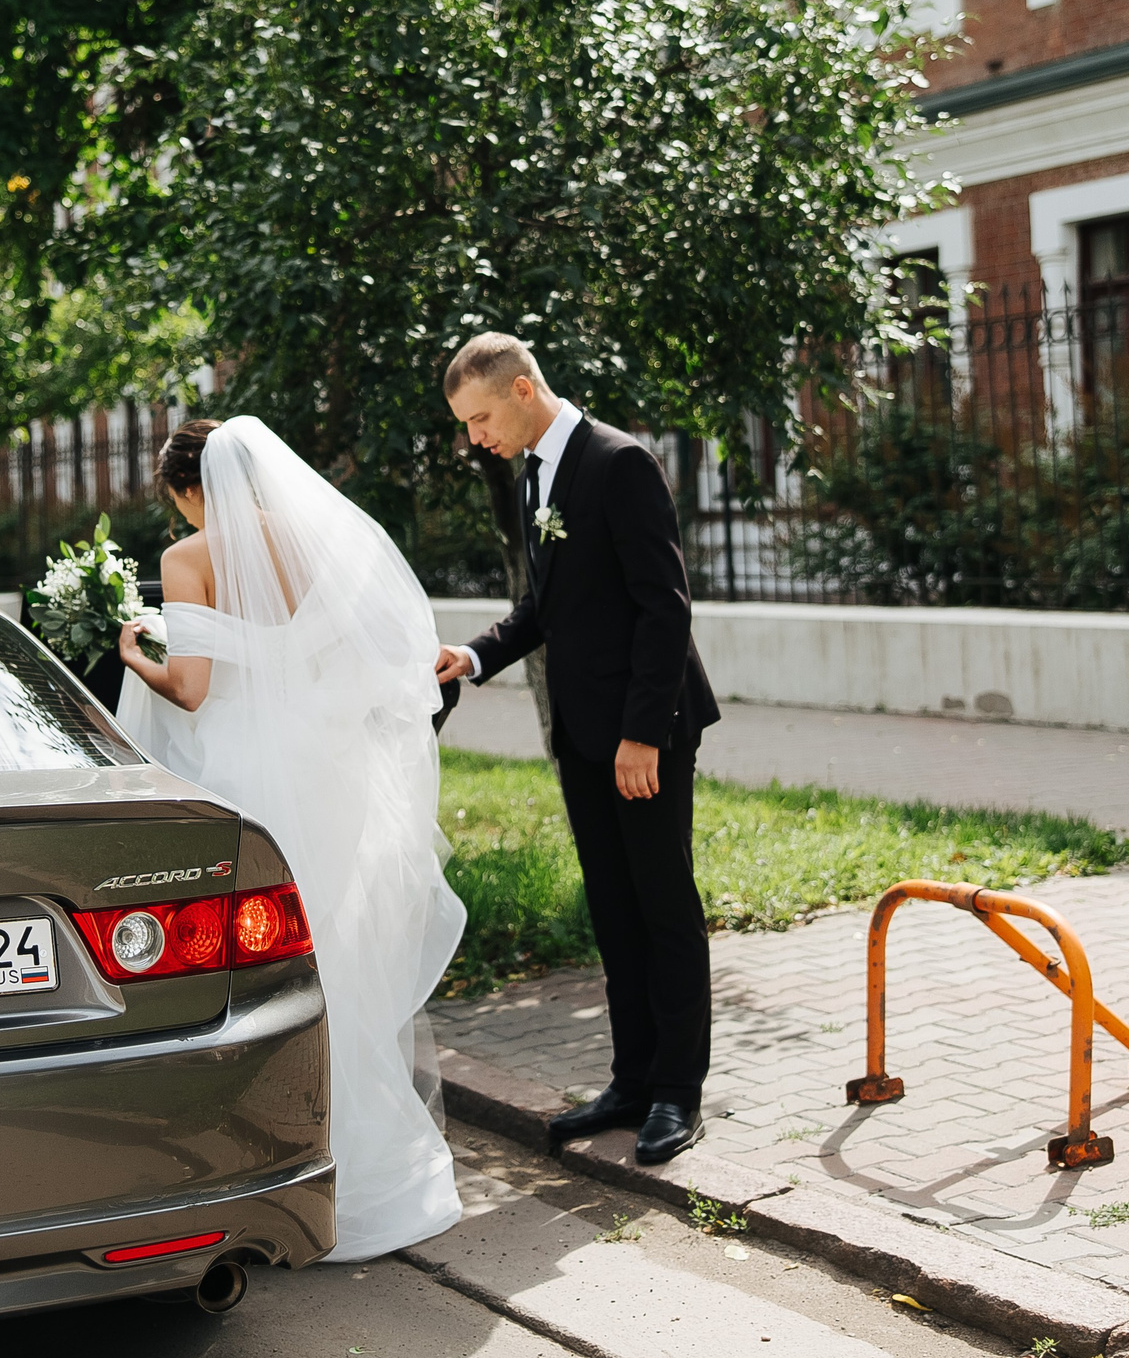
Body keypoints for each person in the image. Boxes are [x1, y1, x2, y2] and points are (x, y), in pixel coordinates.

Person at [114, 416, 468, 1263]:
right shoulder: (314, 542)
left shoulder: (187, 561)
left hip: (246, 780)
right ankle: (372, 1166)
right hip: (327, 774)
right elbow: (358, 656)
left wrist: (135, 652)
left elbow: (192, 691)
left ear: (192, 490)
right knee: (334, 961)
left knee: (265, 974)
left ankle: (275, 1163)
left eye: (181, 503)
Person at [432, 333, 721, 1167]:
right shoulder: (532, 473)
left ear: (523, 390)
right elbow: (545, 608)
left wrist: (642, 733)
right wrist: (476, 654)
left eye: (480, 417)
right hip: (582, 734)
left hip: (643, 733)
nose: (475, 437)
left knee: (663, 906)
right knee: (613, 907)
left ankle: (678, 1091)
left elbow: (664, 608)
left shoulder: (618, 462)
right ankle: (632, 1080)